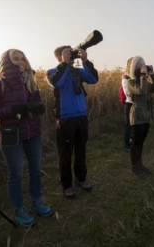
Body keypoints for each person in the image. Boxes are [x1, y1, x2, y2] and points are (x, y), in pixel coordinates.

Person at [0, 49, 52, 228]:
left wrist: (38, 108)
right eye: (15, 59)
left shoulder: (31, 82)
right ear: (6, 62)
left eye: (22, 59)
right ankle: (19, 210)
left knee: (35, 170)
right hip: (11, 137)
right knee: (16, 175)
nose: (20, 62)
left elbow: (39, 104)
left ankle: (37, 203)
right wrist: (13, 110)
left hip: (33, 133)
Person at [46, 46, 98, 198]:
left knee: (81, 149)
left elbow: (93, 79)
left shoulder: (78, 69)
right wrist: (64, 64)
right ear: (59, 56)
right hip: (65, 117)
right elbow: (56, 83)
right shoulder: (53, 71)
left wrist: (85, 61)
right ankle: (67, 184)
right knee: (66, 152)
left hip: (81, 115)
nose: (71, 55)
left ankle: (81, 179)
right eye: (67, 53)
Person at [127, 56, 154, 178]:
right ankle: (134, 168)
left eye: (144, 65)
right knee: (136, 143)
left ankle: (139, 165)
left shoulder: (143, 80)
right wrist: (142, 76)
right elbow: (142, 91)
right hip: (137, 117)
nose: (143, 67)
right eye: (141, 66)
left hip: (146, 116)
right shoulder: (131, 82)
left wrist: (152, 75)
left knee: (141, 143)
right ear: (135, 68)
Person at [122, 57, 133, 153]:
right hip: (128, 105)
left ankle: (132, 142)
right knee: (128, 126)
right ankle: (126, 146)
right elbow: (127, 92)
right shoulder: (125, 78)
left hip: (134, 105)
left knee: (134, 126)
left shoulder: (135, 77)